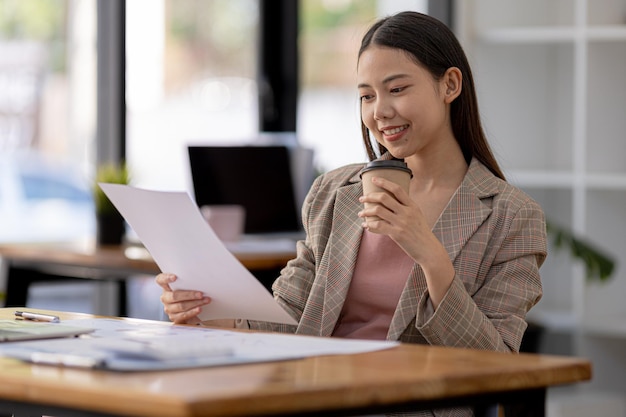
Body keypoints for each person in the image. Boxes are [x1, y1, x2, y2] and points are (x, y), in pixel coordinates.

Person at [156, 11, 546, 416]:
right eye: (367, 95)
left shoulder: (510, 216)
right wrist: (210, 312)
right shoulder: (333, 191)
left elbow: (496, 362)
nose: (380, 111)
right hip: (315, 395)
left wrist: (429, 254)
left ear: (449, 85)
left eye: (396, 89)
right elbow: (290, 313)